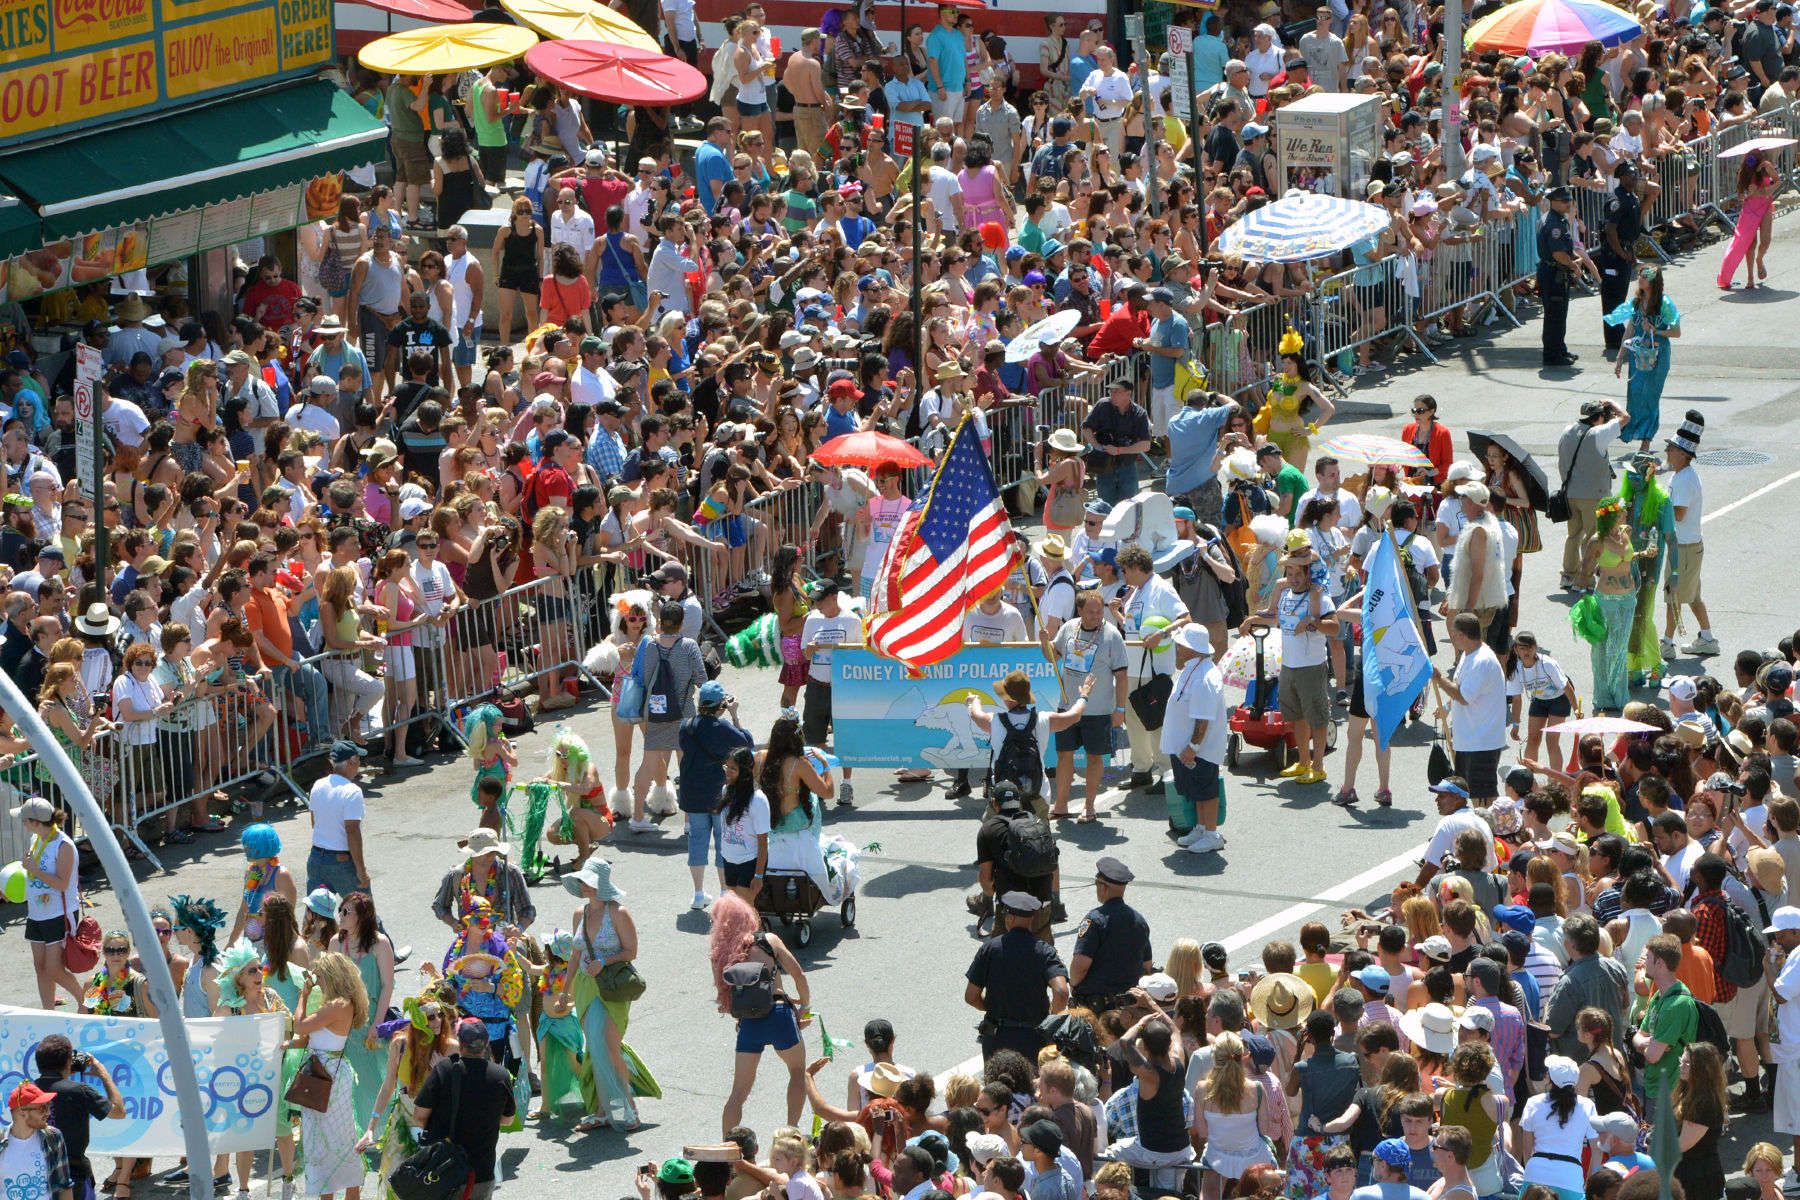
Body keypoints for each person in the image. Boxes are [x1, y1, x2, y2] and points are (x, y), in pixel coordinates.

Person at [561, 853, 651, 1132]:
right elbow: (575, 956)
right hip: (586, 988)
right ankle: (604, 1110)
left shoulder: (618, 912)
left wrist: (605, 962)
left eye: (588, 881)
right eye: (582, 881)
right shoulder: (580, 913)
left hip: (611, 987)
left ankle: (630, 1112)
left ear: (601, 884)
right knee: (596, 1049)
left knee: (608, 1048)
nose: (584, 886)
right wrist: (565, 990)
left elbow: (631, 951)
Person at [711, 890, 810, 1134]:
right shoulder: (768, 940)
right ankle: (792, 1131)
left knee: (738, 1093)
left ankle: (728, 1147)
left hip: (750, 1022)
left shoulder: (723, 953)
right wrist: (804, 1007)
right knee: (797, 1071)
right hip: (779, 1013)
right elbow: (798, 974)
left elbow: (727, 998)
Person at [1041, 589, 1128, 822]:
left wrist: (1120, 710)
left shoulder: (1112, 636)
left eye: (1099, 611)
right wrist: (1044, 643)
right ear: (1079, 610)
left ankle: (1089, 806)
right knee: (1063, 756)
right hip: (1068, 706)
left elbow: (1121, 676)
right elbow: (1052, 656)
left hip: (1098, 710)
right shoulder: (1069, 627)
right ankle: (1060, 804)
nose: (1096, 615)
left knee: (1094, 758)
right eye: (1090, 612)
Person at [292, 951, 370, 1200]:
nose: (318, 982)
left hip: (326, 1076)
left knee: (333, 1139)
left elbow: (299, 1026)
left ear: (332, 976)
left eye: (320, 976)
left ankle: (344, 1193)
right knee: (330, 1138)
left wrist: (303, 996)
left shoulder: (338, 1005)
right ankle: (334, 1193)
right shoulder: (340, 1003)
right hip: (326, 1071)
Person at [412, 1018, 517, 1200]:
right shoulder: (500, 1075)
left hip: (442, 1169)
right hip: (481, 1172)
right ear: (486, 1044)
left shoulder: (444, 1070)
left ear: (460, 1044)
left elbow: (419, 1115)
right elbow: (508, 1119)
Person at [630, 600, 707, 831]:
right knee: (687, 766)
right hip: (684, 712)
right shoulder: (689, 646)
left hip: (657, 712)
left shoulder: (651, 645)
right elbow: (701, 680)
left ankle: (637, 818)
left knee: (648, 764)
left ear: (661, 622)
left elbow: (644, 678)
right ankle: (688, 821)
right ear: (681, 623)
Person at [965, 892, 1070, 1060]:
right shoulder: (1044, 951)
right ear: (1032, 919)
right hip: (1033, 1039)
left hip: (997, 1038)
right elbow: (1062, 992)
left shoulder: (990, 949)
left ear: (1010, 918)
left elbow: (971, 996)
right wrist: (1050, 1020)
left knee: (997, 1085)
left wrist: (991, 1007)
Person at [678, 680, 754, 909]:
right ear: (720, 704)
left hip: (692, 793)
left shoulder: (687, 725)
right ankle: (723, 891)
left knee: (697, 842)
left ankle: (698, 893)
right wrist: (734, 715)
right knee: (723, 842)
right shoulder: (722, 728)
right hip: (717, 794)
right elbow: (746, 745)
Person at [32, 1034, 123, 1200]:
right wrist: (104, 1074)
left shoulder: (28, 1091)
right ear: (68, 1061)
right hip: (75, 1175)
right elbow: (118, 1112)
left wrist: (64, 1074)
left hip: (37, 1175)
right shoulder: (78, 1090)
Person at [1164, 626, 1229, 854]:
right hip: (1188, 747)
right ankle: (1201, 828)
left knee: (1206, 789)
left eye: (1181, 644)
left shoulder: (1205, 677)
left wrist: (1193, 746)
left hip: (1200, 749)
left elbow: (1203, 719)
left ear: (1191, 649)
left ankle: (1212, 834)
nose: (1177, 648)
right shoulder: (1192, 669)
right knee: (1196, 790)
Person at [14, 796, 83, 1011]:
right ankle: (48, 1013)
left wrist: (34, 870)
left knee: (54, 969)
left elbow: (62, 884)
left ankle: (87, 1002)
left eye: (25, 820)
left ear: (35, 822)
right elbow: (34, 874)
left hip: (58, 913)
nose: (22, 824)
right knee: (40, 967)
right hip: (37, 912)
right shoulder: (38, 839)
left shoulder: (64, 845)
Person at [1603, 266, 1681, 452]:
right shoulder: (1636, 302)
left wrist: (1656, 330)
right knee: (1636, 394)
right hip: (1638, 356)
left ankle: (1646, 439)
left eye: (1645, 276)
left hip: (1658, 356)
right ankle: (1632, 430)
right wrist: (1621, 356)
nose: (1640, 278)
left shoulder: (1664, 303)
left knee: (1650, 398)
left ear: (1654, 281)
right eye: (1640, 275)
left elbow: (1676, 332)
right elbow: (1630, 330)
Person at [1433, 613, 1508, 803]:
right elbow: (1463, 687)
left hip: (1482, 741)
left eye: (1453, 633)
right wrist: (1448, 706)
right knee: (1467, 792)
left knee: (1482, 795)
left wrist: (1439, 679)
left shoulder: (1481, 661)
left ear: (1461, 635)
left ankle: (1491, 830)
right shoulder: (1468, 655)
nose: (1452, 637)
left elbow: (1464, 696)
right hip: (1469, 739)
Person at [1660, 413, 1717, 657]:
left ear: (1683, 453)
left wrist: (1656, 513)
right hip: (1688, 546)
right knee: (1693, 596)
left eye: (1670, 449)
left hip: (1682, 548)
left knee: (1674, 596)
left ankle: (1667, 644)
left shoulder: (1683, 480)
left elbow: (1678, 514)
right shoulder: (1679, 475)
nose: (1666, 453)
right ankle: (1707, 639)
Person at [1069, 856, 1153, 1014]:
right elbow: (1147, 966)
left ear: (1103, 887)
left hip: (1098, 1008)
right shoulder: (1139, 921)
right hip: (1128, 1010)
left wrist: (1073, 985)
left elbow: (1080, 967)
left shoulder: (1094, 920)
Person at [1556, 399, 1623, 592]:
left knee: (1573, 535)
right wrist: (1612, 403)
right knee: (1592, 538)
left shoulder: (1568, 430)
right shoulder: (1598, 433)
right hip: (1593, 496)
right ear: (1599, 417)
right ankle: (1586, 580)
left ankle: (1567, 576)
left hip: (1570, 493)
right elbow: (1625, 417)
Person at [307, 742, 370, 898]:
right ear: (352, 761)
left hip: (316, 859)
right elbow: (352, 831)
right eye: (359, 760)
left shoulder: (318, 785)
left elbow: (315, 823)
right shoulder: (352, 791)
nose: (359, 764)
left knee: (316, 918)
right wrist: (361, 871)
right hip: (341, 862)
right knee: (364, 917)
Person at [1536, 187, 1585, 367]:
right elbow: (1557, 253)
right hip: (1553, 272)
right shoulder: (1554, 222)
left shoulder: (1555, 218)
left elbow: (1563, 248)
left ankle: (1559, 349)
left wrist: (1573, 258)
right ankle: (1552, 355)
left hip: (1554, 271)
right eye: (1564, 201)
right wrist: (1573, 265)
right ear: (1554, 201)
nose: (1568, 204)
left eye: (1569, 201)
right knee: (1555, 315)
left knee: (1558, 314)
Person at [1, 1082, 75, 1200]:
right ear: (22, 1112)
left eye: (48, 1106)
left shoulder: (53, 1137)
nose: (48, 1113)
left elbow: (65, 1186)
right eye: (42, 1108)